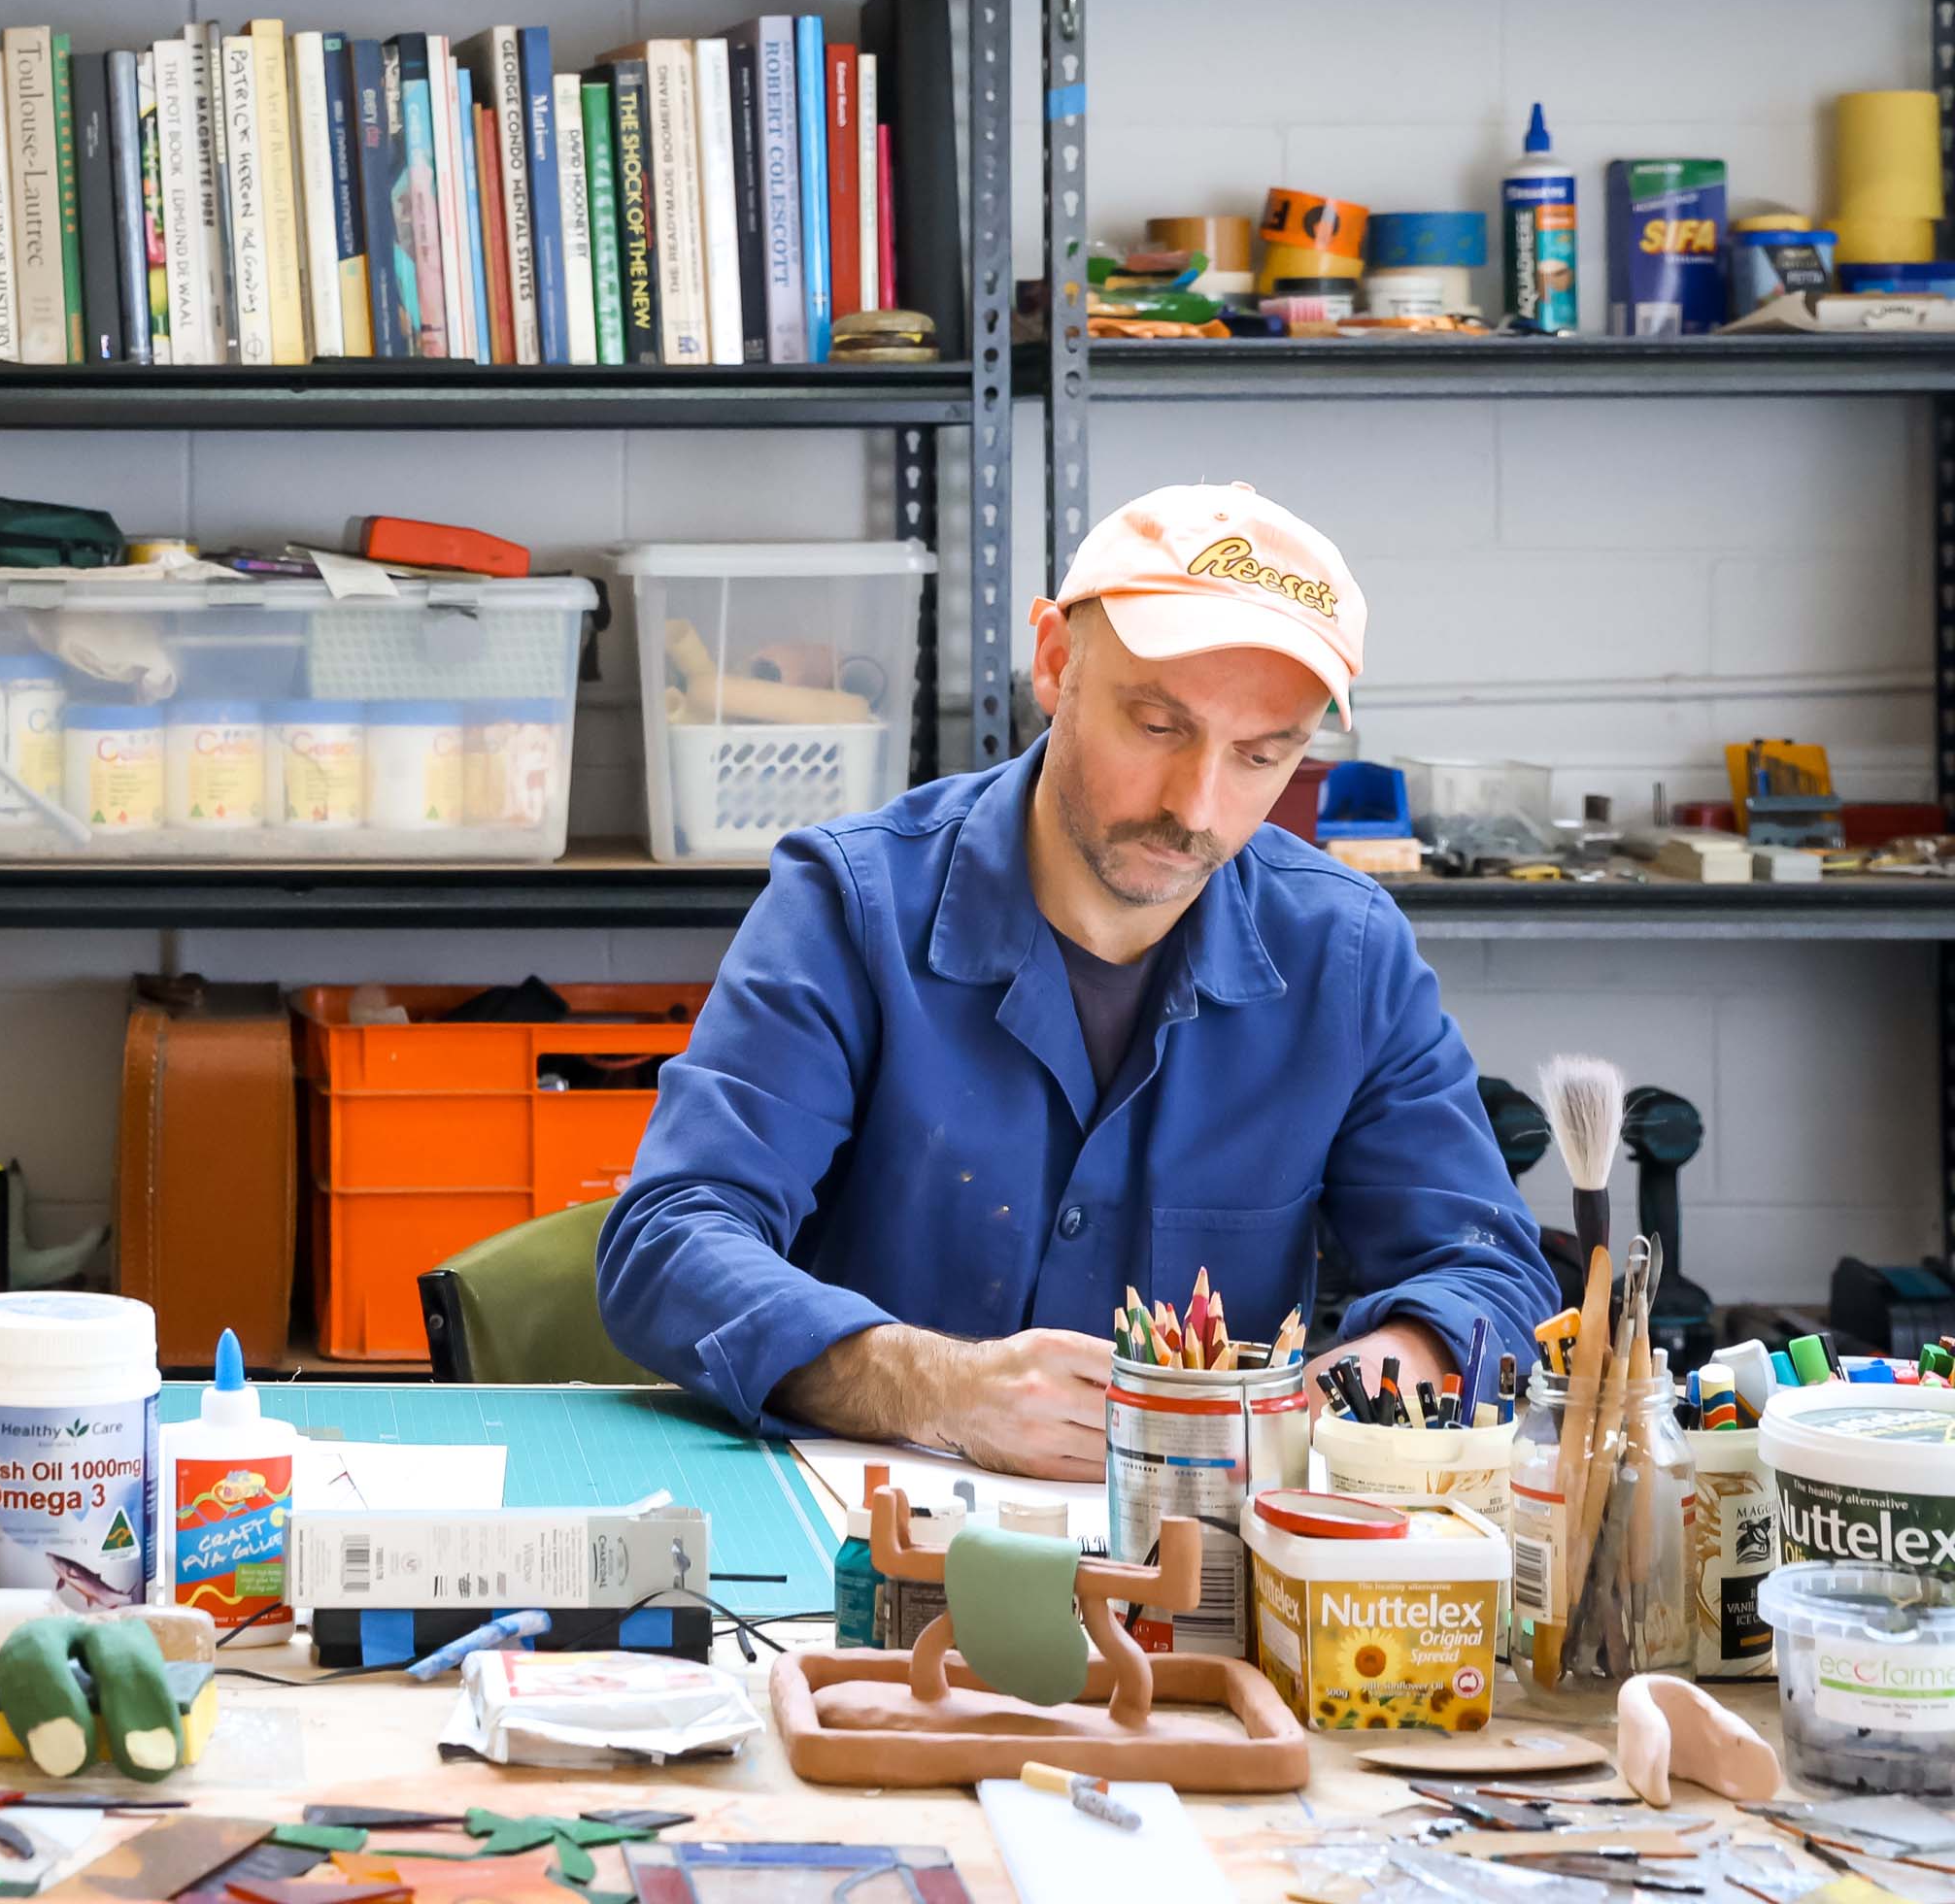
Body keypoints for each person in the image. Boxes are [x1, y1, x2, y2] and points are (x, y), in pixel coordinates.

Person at [595, 483, 1552, 1479]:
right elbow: (671, 1240)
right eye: (1156, 727)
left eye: (1261, 755)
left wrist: (1344, 1395)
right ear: (1053, 663)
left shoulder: (1347, 957)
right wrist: (936, 1387)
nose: (1197, 807)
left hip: (1201, 1547)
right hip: (875, 1530)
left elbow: (1489, 1274)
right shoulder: (851, 904)